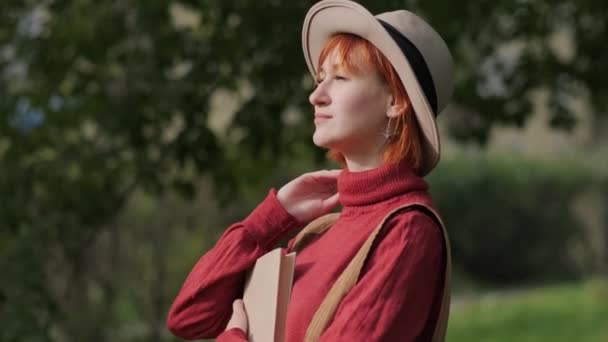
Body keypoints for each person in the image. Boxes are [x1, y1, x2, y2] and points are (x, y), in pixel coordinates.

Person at [167, 0, 454, 341]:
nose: (316, 96)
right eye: (320, 79)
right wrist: (269, 221)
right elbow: (189, 317)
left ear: (395, 100)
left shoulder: (406, 230)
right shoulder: (318, 233)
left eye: (341, 78)